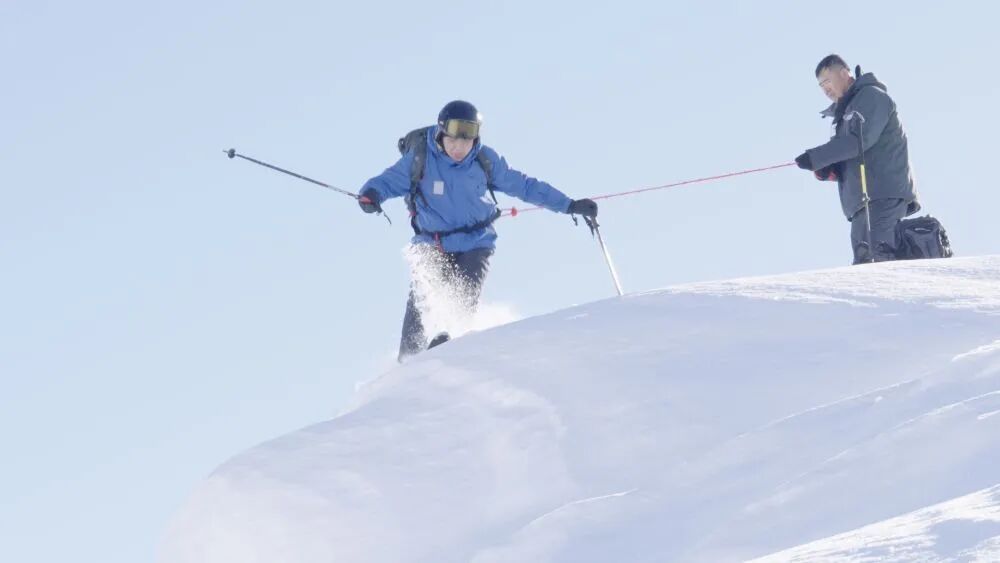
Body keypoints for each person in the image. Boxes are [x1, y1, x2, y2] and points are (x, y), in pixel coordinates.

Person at [359, 100, 598, 361]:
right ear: (441, 133)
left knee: (463, 296)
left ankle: (448, 343)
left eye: (466, 141)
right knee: (422, 296)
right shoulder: (420, 158)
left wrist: (569, 205)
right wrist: (371, 194)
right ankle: (409, 360)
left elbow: (524, 186)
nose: (459, 148)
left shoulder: (484, 160)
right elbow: (387, 182)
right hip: (432, 242)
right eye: (453, 141)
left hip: (476, 243)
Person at [794, 55, 920, 264]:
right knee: (864, 263)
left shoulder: (871, 96)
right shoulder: (847, 111)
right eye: (820, 86)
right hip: (862, 202)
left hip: (882, 196)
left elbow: (859, 140)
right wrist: (829, 168)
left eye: (827, 81)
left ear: (844, 73)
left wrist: (816, 157)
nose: (825, 89)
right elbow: (852, 154)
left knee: (879, 259)